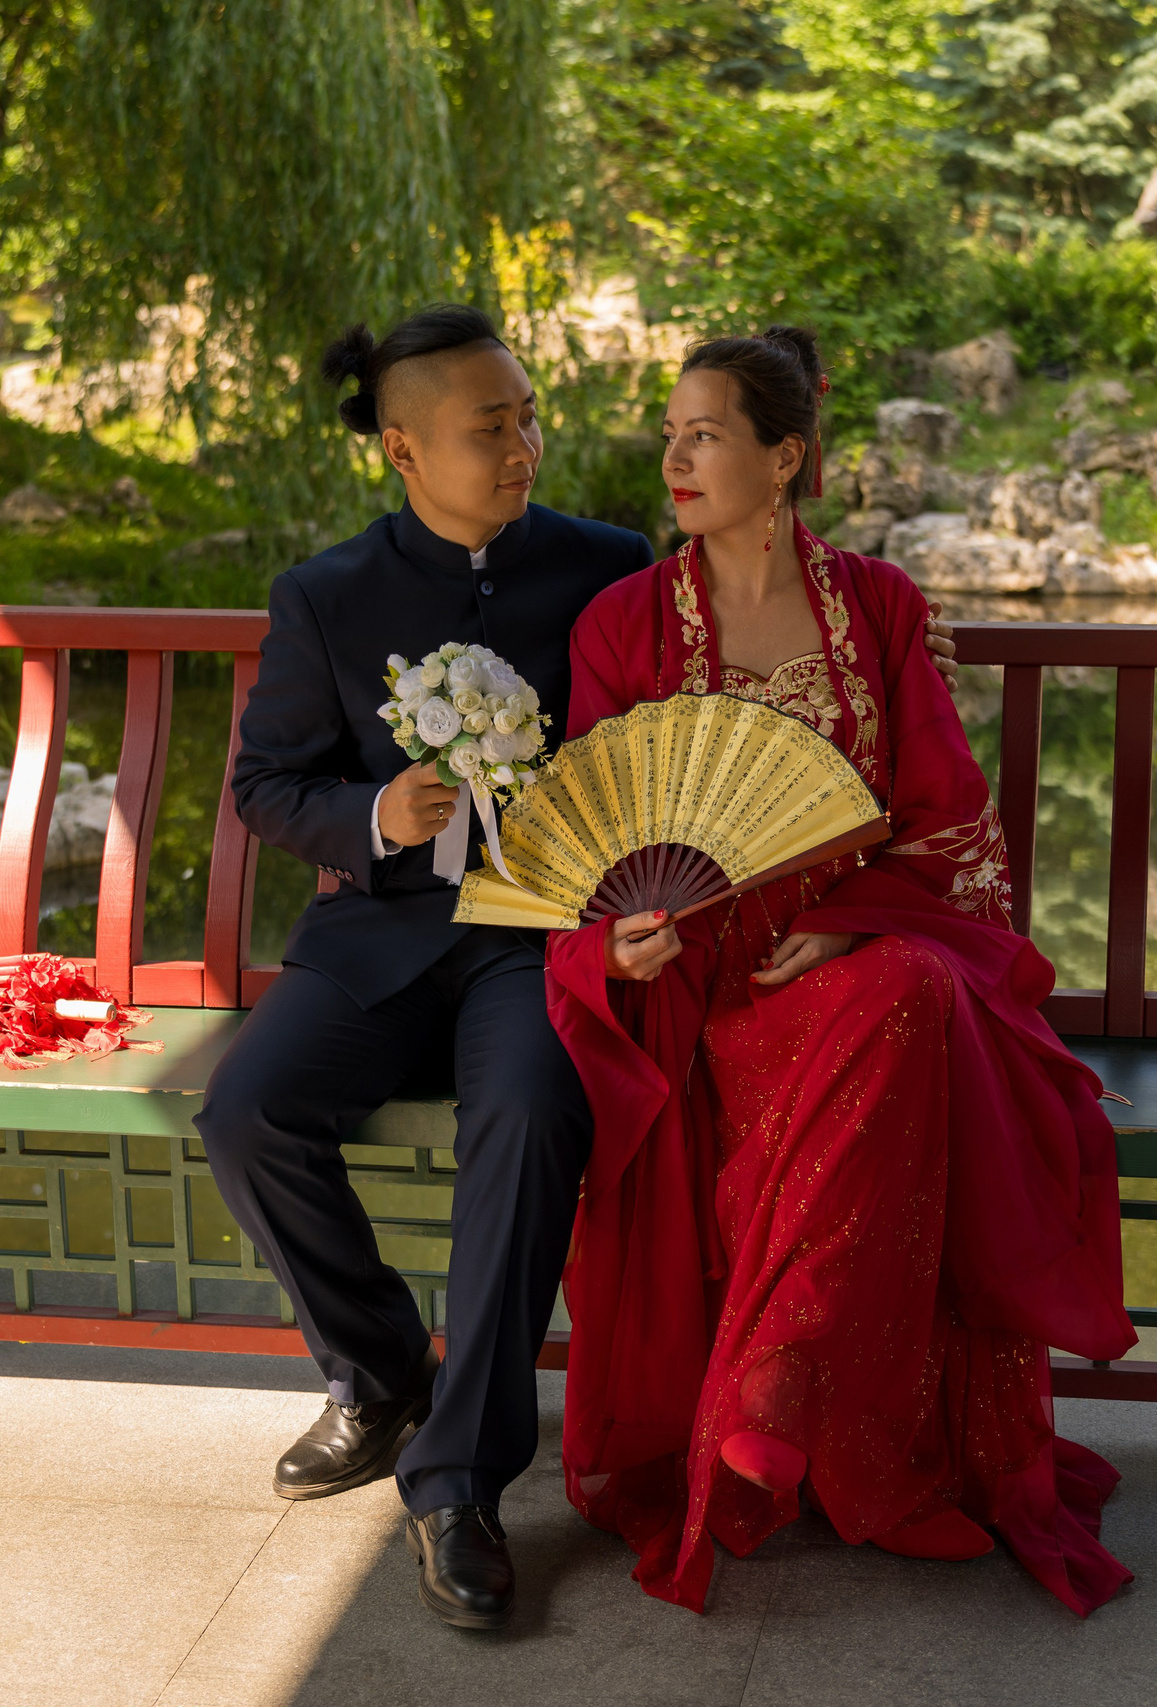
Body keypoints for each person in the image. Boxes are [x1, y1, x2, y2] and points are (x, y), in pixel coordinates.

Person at [199, 304, 967, 1631]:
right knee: (244, 1109)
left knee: (533, 1111)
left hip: (543, 947)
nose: (522, 447)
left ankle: (458, 1489)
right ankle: (380, 1372)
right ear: (403, 450)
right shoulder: (327, 594)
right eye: (488, 430)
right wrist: (376, 819)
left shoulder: (610, 569)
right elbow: (267, 787)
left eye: (529, 419)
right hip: (377, 938)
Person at [543, 326, 1140, 1618]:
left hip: (860, 966)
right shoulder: (626, 622)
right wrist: (622, 939)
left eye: (706, 434)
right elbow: (581, 841)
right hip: (701, 991)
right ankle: (813, 1411)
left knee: (913, 998)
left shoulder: (875, 605)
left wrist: (869, 922)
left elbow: (945, 821)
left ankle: (776, 1389)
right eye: (670, 435)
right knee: (902, 1033)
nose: (677, 458)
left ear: (787, 456)